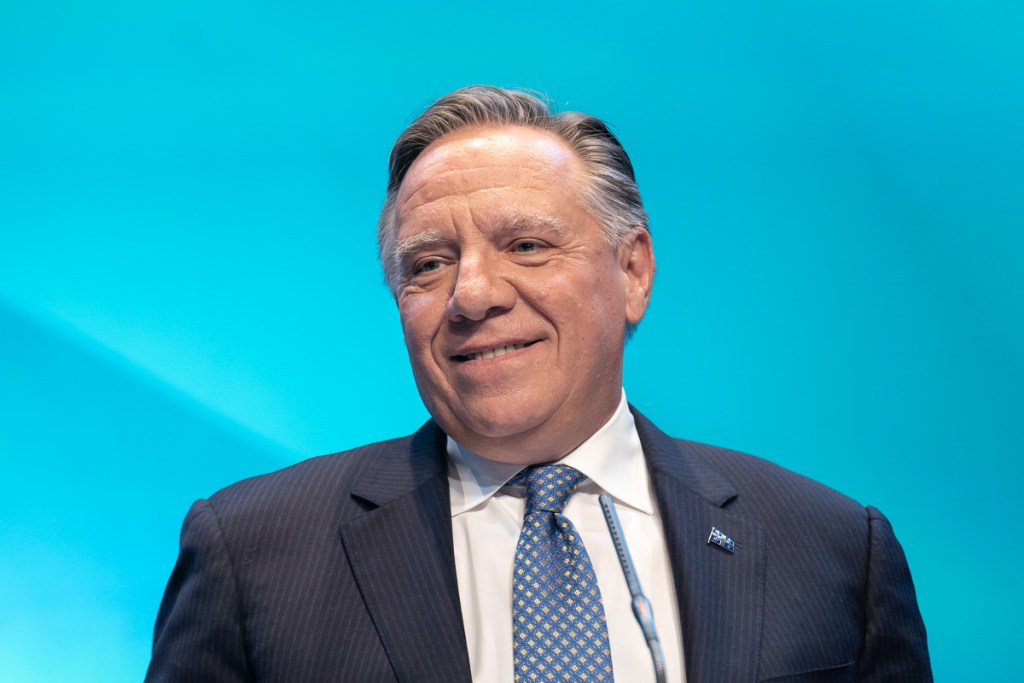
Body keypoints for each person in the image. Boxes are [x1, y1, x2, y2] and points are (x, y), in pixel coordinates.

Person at [146, 86, 931, 682]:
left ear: (633, 271)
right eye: (429, 264)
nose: (472, 295)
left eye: (525, 244)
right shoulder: (251, 554)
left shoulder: (832, 550)